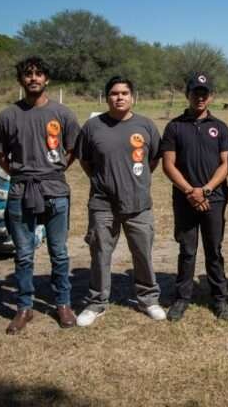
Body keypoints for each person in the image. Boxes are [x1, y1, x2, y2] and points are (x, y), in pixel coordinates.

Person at [0, 56, 81, 334]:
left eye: (39, 74)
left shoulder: (62, 114)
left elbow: (73, 148)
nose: (34, 78)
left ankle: (63, 304)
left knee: (59, 252)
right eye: (28, 74)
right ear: (20, 80)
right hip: (20, 190)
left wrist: (57, 168)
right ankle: (24, 307)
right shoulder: (7, 116)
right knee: (24, 254)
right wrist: (19, 173)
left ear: (47, 79)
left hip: (55, 191)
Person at [74, 77, 165, 326]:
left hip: (138, 204)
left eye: (124, 93)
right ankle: (96, 303)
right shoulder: (93, 126)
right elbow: (85, 161)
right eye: (114, 93)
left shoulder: (146, 125)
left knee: (142, 253)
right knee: (100, 253)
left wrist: (137, 182)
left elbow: (154, 158)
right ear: (107, 97)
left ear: (132, 97)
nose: (120, 97)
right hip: (103, 204)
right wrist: (102, 180)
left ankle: (148, 299)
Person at [161, 72, 228, 322]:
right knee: (187, 250)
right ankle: (182, 298)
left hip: (214, 198)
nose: (200, 97)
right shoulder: (174, 126)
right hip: (185, 199)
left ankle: (220, 299)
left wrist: (206, 190)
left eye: (204, 93)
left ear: (211, 96)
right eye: (195, 92)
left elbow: (226, 164)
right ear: (187, 95)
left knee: (214, 250)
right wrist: (190, 191)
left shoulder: (220, 127)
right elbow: (168, 165)